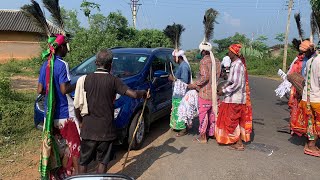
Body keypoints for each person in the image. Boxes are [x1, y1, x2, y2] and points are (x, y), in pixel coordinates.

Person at [74, 49, 148, 174]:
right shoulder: (114, 80)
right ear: (110, 65)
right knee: (103, 162)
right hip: (106, 130)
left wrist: (81, 122)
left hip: (88, 129)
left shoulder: (84, 80)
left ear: (96, 62)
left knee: (83, 162)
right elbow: (134, 94)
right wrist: (144, 93)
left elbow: (77, 106)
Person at [37, 35, 80, 179]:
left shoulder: (45, 65)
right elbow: (64, 89)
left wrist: (51, 89)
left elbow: (40, 89)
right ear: (60, 47)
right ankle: (76, 176)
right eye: (65, 46)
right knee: (74, 147)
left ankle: (58, 175)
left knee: (57, 148)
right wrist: (78, 83)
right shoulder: (62, 64)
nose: (67, 49)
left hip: (50, 116)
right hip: (65, 113)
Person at [215, 44, 252, 150]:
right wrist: (222, 89)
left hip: (235, 98)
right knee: (233, 120)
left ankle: (238, 143)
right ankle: (237, 141)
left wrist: (224, 91)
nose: (228, 53)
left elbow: (236, 84)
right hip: (232, 98)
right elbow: (230, 81)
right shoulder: (234, 64)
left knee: (232, 120)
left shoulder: (238, 65)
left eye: (230, 51)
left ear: (234, 53)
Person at [187, 42, 221, 143]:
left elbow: (205, 77)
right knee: (212, 114)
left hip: (205, 93)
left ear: (203, 51)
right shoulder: (217, 61)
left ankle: (203, 136)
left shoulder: (203, 61)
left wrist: (194, 84)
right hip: (215, 94)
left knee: (203, 114)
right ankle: (212, 133)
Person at [292, 43, 320, 157]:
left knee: (311, 122)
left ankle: (309, 144)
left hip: (307, 98)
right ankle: (311, 145)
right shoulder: (318, 61)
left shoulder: (309, 62)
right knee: (317, 124)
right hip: (317, 98)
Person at [168, 49, 192, 137]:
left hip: (181, 94)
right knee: (177, 110)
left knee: (181, 110)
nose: (173, 59)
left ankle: (183, 129)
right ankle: (178, 126)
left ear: (178, 57)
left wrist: (173, 79)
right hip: (178, 93)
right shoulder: (181, 65)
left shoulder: (184, 66)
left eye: (174, 57)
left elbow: (184, 82)